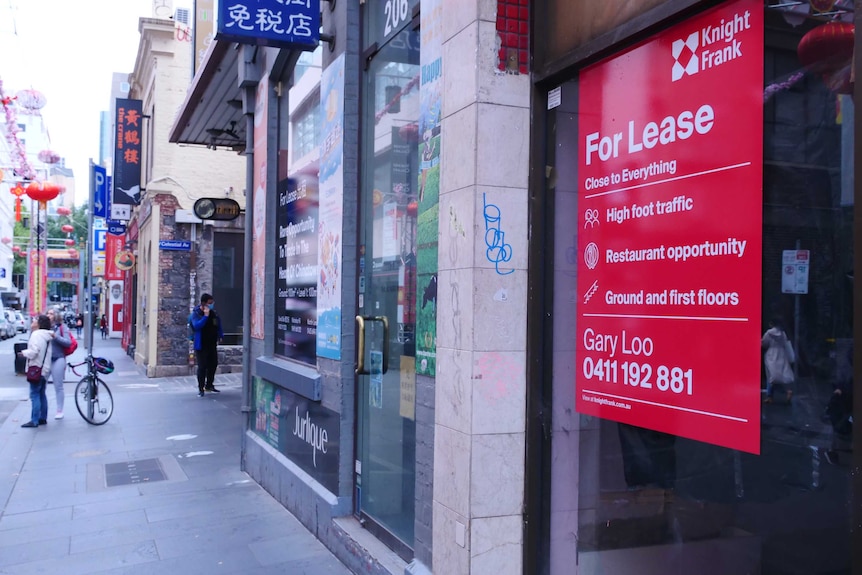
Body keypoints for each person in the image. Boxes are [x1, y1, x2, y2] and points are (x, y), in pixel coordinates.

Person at [18, 315, 53, 428]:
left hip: (36, 368)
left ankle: (34, 420)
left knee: (34, 395)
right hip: (45, 369)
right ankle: (43, 417)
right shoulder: (47, 335)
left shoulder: (36, 335)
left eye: (35, 320)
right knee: (42, 393)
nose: (32, 321)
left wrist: (23, 353)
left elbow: (34, 352)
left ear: (39, 324)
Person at [190, 293, 223, 396]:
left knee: (213, 364)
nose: (211, 305)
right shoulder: (196, 313)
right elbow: (196, 326)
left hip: (212, 343)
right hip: (201, 345)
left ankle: (209, 384)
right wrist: (205, 316)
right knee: (202, 366)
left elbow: (218, 324)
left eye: (212, 303)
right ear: (204, 303)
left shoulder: (214, 313)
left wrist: (220, 335)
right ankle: (201, 388)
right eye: (210, 303)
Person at [46, 307, 73, 419]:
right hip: (46, 359)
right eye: (47, 313)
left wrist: (55, 336)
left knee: (58, 385)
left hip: (58, 358)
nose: (49, 315)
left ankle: (59, 410)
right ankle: (43, 411)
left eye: (51, 314)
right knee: (41, 385)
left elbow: (68, 342)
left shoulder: (62, 327)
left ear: (56, 316)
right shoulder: (43, 327)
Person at [762, 317, 795, 403]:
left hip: (771, 355)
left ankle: (778, 394)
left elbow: (764, 343)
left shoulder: (768, 333)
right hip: (781, 354)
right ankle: (770, 396)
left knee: (771, 377)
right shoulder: (783, 333)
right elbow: (785, 343)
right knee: (778, 376)